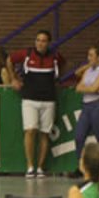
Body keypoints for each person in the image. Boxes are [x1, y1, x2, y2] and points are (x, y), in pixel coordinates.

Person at [9, 30, 63, 178]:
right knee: (30, 130)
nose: (40, 43)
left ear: (48, 43)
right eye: (38, 40)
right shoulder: (26, 54)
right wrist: (13, 78)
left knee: (44, 133)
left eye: (44, 40)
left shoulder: (56, 57)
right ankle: (30, 166)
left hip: (48, 100)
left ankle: (40, 167)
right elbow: (9, 60)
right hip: (29, 99)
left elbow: (61, 69)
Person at [73, 43, 99, 156]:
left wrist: (92, 88)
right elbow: (78, 87)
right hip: (86, 106)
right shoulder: (88, 70)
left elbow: (94, 87)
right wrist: (93, 89)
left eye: (91, 55)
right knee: (79, 137)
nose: (88, 58)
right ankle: (81, 164)